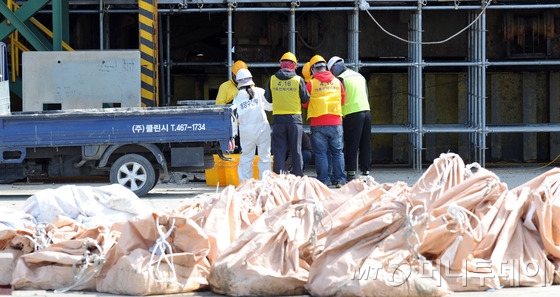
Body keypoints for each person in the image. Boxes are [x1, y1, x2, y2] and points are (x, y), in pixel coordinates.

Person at [264, 51, 310, 177]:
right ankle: (298, 177)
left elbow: (268, 99)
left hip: (278, 119)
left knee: (279, 150)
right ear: (294, 65)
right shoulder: (298, 80)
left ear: (281, 65)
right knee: (296, 150)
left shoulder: (272, 79)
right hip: (295, 120)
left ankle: (278, 178)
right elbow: (306, 99)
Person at [303, 54, 346, 187]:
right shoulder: (337, 82)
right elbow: (343, 101)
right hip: (336, 122)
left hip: (318, 123)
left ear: (313, 70)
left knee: (321, 153)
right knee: (337, 152)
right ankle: (339, 179)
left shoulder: (311, 83)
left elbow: (305, 103)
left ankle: (323, 180)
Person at [327, 56, 372, 181]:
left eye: (331, 70)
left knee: (351, 144)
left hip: (352, 113)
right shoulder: (359, 76)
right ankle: (365, 172)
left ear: (334, 68)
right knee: (365, 143)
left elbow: (339, 99)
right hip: (366, 111)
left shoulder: (340, 79)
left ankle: (351, 173)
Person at [231, 68, 272, 181]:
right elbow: (270, 106)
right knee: (265, 157)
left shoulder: (237, 97)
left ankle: (245, 183)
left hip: (246, 130)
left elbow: (234, 118)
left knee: (246, 157)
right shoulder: (259, 91)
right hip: (263, 128)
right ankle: (265, 183)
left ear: (237, 81)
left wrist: (232, 135)